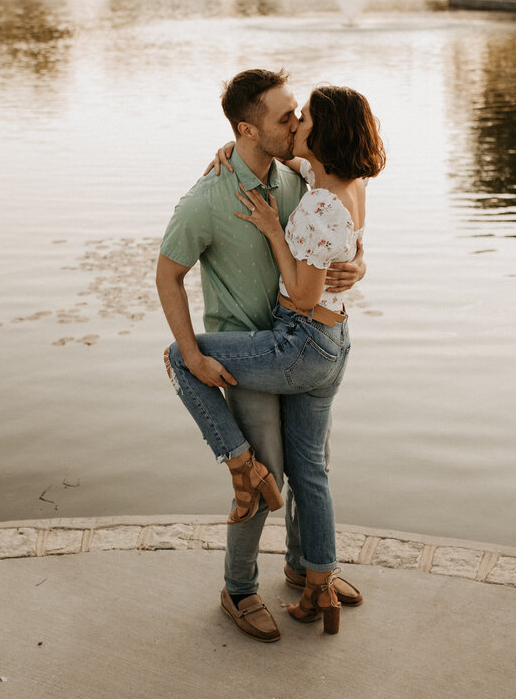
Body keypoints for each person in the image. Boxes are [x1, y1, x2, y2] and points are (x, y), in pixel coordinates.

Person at [159, 76, 384, 637]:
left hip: (298, 344)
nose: (294, 125)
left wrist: (359, 264)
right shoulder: (208, 198)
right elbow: (168, 274)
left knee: (313, 468)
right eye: (286, 117)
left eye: (297, 116)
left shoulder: (297, 179)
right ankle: (239, 589)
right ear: (246, 129)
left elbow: (339, 231)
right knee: (264, 481)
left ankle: (309, 570)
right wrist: (190, 351)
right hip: (252, 355)